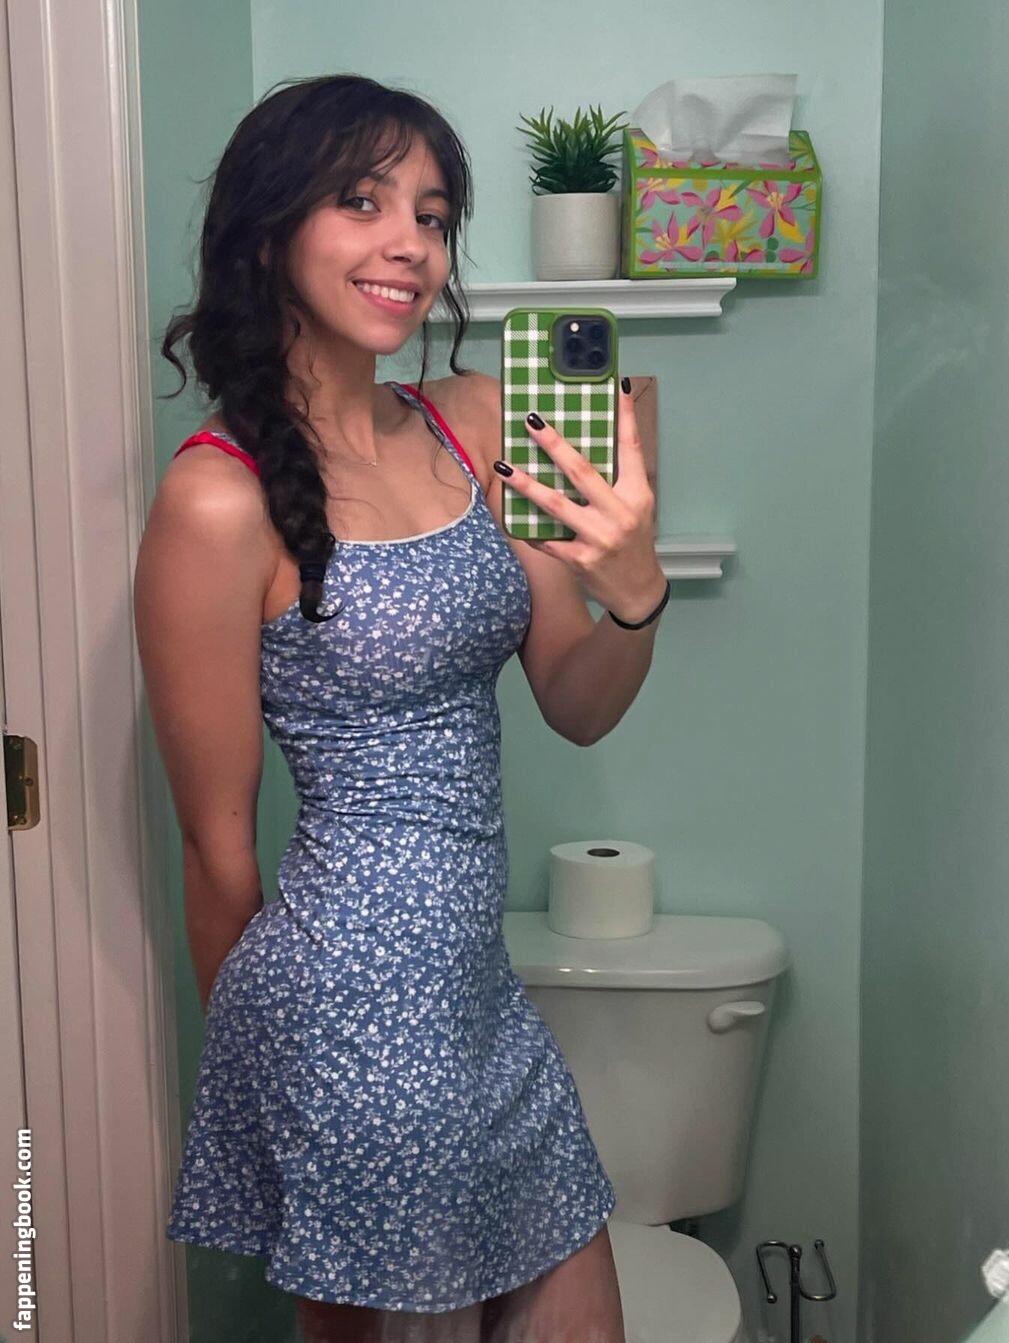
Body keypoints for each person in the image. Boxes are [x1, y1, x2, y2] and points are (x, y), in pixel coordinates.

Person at [133, 72, 669, 1343]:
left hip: (481, 1000)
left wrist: (638, 597)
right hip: (347, 1017)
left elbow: (577, 702)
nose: (410, 244)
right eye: (362, 201)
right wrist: (277, 1086)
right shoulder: (217, 499)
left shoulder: (473, 418)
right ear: (271, 231)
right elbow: (216, 848)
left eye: (431, 216)